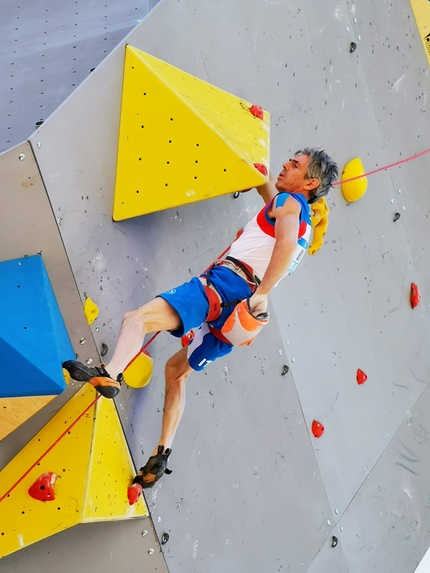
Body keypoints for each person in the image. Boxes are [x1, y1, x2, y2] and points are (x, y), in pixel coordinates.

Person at [63, 147, 338, 488]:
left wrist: (263, 291)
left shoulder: (291, 205)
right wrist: (260, 182)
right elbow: (278, 220)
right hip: (240, 317)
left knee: (138, 319)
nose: (285, 164)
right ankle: (162, 453)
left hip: (227, 285)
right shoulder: (302, 222)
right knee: (176, 372)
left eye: (294, 165)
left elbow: (280, 240)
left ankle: (110, 373)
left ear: (310, 182)